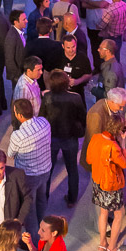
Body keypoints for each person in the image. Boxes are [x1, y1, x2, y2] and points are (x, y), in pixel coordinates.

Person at [7, 97, 54, 244]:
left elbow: (10, 154)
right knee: (41, 199)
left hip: (28, 176)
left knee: (30, 210)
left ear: (19, 115)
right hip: (46, 169)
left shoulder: (18, 135)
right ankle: (44, 228)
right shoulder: (44, 122)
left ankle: (34, 241)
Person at [86, 111, 126, 251]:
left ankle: (102, 243)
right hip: (111, 184)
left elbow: (89, 159)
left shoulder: (96, 138)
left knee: (103, 212)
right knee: (119, 214)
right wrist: (122, 144)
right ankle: (112, 248)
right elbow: (124, 164)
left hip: (97, 181)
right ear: (118, 130)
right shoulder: (113, 146)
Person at [41, 69, 86, 208]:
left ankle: (44, 198)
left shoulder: (47, 97)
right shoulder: (75, 97)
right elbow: (83, 117)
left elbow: (41, 117)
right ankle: (72, 199)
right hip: (70, 136)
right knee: (72, 168)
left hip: (52, 137)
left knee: (48, 169)